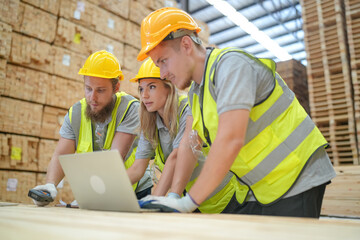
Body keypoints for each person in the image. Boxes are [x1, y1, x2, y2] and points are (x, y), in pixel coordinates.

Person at [137, 7, 336, 217]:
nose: (163, 74)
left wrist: (189, 201)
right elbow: (189, 143)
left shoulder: (231, 66)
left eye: (163, 61)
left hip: (297, 174)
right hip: (262, 188)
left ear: (186, 45)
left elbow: (231, 139)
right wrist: (173, 197)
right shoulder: (197, 92)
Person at [31, 50, 153, 206]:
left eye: (100, 90)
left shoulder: (130, 109)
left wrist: (88, 196)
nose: (92, 98)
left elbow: (114, 159)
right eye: (88, 89)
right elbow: (60, 154)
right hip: (99, 190)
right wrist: (50, 185)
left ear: (116, 88)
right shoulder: (76, 113)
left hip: (134, 190)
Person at [126, 58, 192, 197]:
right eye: (141, 88)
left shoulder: (187, 110)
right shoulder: (150, 121)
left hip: (223, 197)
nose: (144, 95)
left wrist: (154, 200)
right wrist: (106, 190)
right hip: (191, 196)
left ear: (169, 88)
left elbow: (176, 157)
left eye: (152, 87)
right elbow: (138, 168)